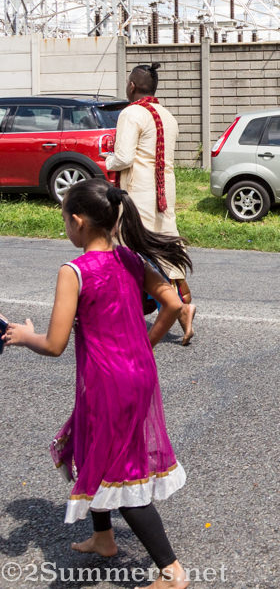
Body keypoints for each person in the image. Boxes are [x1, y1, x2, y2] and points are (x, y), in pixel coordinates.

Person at [1, 178, 191, 588]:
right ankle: (104, 538)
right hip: (135, 374)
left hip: (107, 382)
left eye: (65, 221)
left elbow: (54, 344)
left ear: (79, 221)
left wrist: (22, 335)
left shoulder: (74, 271)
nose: (65, 228)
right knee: (90, 444)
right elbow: (174, 303)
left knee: (118, 473)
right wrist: (145, 344)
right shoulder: (129, 259)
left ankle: (171, 571)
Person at [105, 62, 196, 346]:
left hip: (140, 193)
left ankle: (123, 316)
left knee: (132, 252)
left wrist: (105, 161)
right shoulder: (168, 116)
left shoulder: (131, 113)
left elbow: (123, 158)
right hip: (165, 192)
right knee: (168, 248)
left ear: (132, 86)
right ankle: (184, 308)